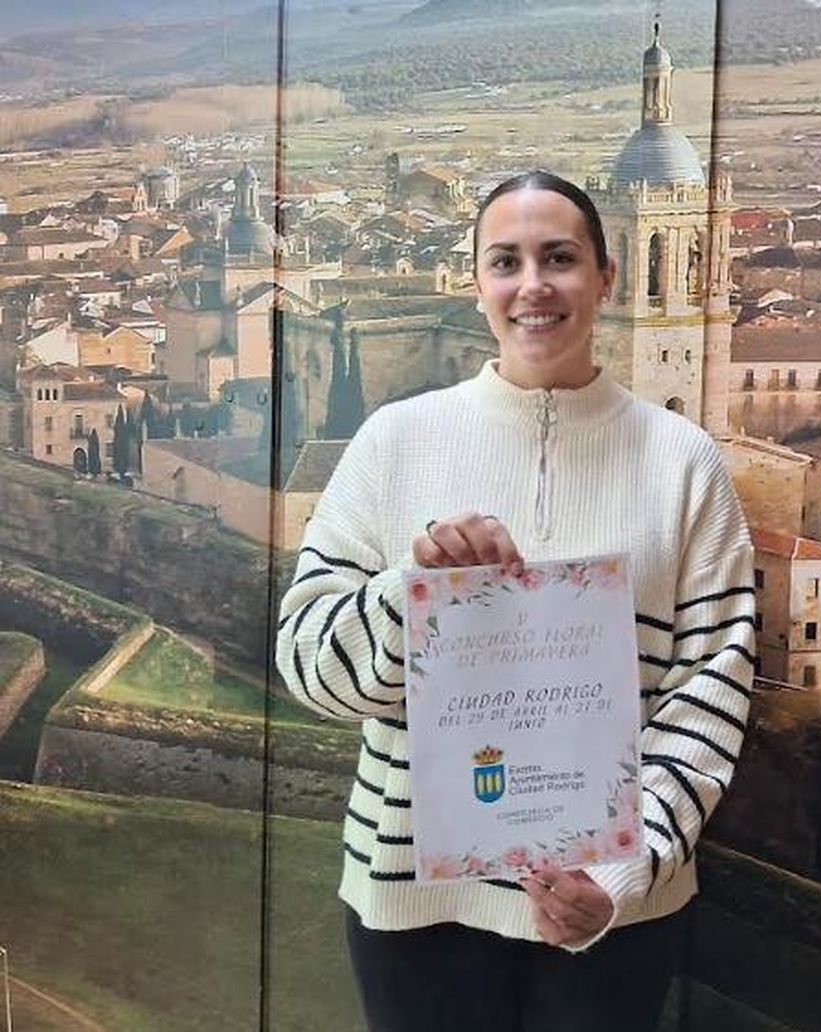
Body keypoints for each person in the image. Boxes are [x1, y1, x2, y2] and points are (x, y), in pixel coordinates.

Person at [274, 170, 755, 1031]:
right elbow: (310, 667)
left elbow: (710, 691)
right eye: (506, 261)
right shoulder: (393, 442)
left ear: (604, 277)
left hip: (616, 914)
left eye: (559, 258)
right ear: (477, 284)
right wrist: (417, 599)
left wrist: (617, 873)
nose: (533, 285)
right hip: (415, 904)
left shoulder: (685, 462)